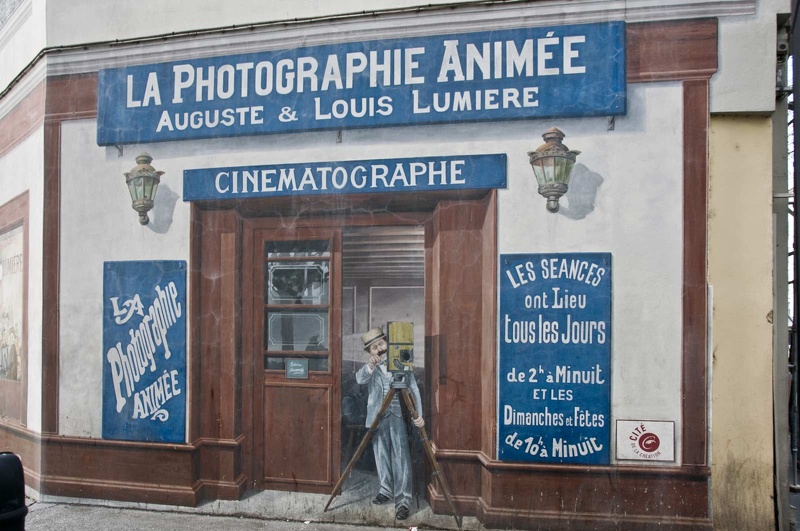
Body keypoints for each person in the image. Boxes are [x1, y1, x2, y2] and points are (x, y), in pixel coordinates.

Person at [356, 326, 424, 521]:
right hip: (377, 416)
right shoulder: (371, 367)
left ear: (387, 342)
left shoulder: (402, 360)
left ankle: (403, 500)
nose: (379, 349)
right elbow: (360, 379)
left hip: (396, 414)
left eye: (381, 344)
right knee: (381, 453)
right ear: (370, 352)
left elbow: (413, 388)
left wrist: (418, 415)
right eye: (373, 347)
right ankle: (385, 489)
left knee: (400, 455)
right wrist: (370, 366)